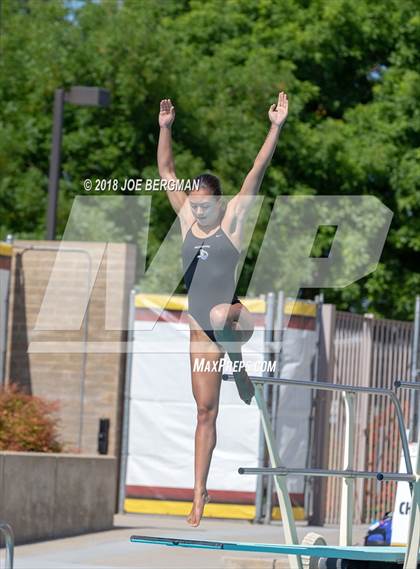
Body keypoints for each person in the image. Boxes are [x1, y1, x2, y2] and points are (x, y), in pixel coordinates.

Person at [157, 91, 288, 527]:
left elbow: (257, 171)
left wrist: (275, 126)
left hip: (236, 319)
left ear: (218, 201)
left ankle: (240, 364)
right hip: (201, 338)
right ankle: (199, 495)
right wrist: (165, 129)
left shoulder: (233, 220)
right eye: (193, 204)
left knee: (216, 316)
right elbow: (165, 170)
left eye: (203, 203)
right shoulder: (185, 223)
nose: (197, 209)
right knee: (204, 413)